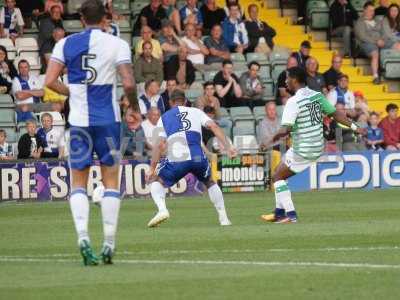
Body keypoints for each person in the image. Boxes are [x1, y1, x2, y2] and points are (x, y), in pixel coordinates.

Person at [45, 0, 138, 265]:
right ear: (105, 18)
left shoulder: (65, 43)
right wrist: (133, 106)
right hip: (108, 120)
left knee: (78, 183)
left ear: (82, 19)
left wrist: (72, 91)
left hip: (78, 121)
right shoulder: (116, 43)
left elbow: (49, 81)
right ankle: (109, 243)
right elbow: (129, 82)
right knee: (110, 181)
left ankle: (83, 238)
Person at [260, 67, 365, 223]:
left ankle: (290, 215)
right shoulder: (316, 95)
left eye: (287, 78)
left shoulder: (293, 102)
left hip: (304, 148)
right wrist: (356, 127)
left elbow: (285, 129)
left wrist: (268, 141)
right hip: (316, 145)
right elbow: (335, 114)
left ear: (295, 80)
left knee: (277, 177)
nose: (285, 81)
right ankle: (278, 212)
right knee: (278, 173)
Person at [146, 89, 235, 227]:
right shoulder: (197, 112)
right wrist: (228, 147)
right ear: (185, 101)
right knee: (210, 182)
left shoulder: (164, 117)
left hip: (178, 158)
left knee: (156, 181)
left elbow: (159, 144)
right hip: (198, 157)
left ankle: (162, 210)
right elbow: (214, 126)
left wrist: (152, 168)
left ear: (170, 102)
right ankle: (224, 219)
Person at [355, 1, 400, 84]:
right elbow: (363, 37)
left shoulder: (377, 20)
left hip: (380, 41)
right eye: (369, 10)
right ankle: (375, 77)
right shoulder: (359, 22)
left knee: (398, 45)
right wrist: (376, 41)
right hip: (366, 44)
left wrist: (382, 39)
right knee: (375, 53)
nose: (371, 12)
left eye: (373, 10)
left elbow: (384, 32)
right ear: (364, 10)